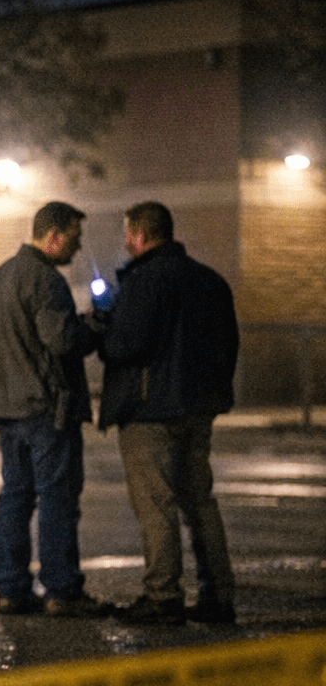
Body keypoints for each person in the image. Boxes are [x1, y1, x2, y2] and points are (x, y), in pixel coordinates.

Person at [98, 202, 239, 626]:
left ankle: (162, 595)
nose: (126, 242)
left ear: (140, 235)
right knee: (200, 501)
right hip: (198, 409)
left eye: (128, 234)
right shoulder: (210, 281)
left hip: (150, 410)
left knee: (156, 504)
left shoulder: (145, 281)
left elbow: (127, 346)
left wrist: (105, 331)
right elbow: (228, 345)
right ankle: (218, 595)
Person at [0, 201, 104, 617]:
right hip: (45, 409)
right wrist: (94, 328)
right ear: (54, 235)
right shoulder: (45, 281)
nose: (77, 250)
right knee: (56, 498)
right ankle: (61, 590)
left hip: (6, 409)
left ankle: (11, 589)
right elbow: (62, 341)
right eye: (75, 240)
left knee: (15, 497)